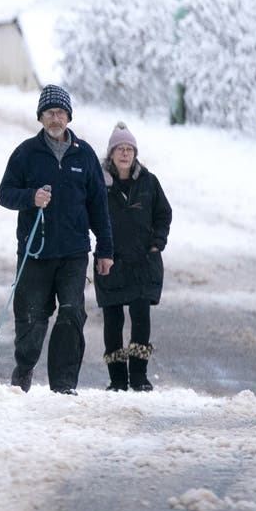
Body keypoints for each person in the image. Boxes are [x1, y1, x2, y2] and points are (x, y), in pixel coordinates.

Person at [0, 84, 114, 395]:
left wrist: (106, 250)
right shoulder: (25, 154)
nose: (55, 118)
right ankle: (24, 367)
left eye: (60, 113)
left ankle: (63, 385)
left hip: (74, 252)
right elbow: (4, 195)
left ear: (68, 117)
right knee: (32, 320)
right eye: (49, 113)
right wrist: (30, 197)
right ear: (41, 117)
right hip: (35, 253)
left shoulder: (84, 155)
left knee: (72, 312)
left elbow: (99, 206)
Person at [95, 122, 172, 392]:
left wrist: (156, 246)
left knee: (141, 318)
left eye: (129, 149)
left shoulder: (149, 182)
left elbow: (164, 214)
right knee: (113, 321)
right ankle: (117, 379)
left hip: (143, 262)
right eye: (120, 149)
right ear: (111, 153)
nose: (125, 154)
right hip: (111, 261)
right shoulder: (99, 183)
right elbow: (87, 215)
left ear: (135, 153)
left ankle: (139, 376)